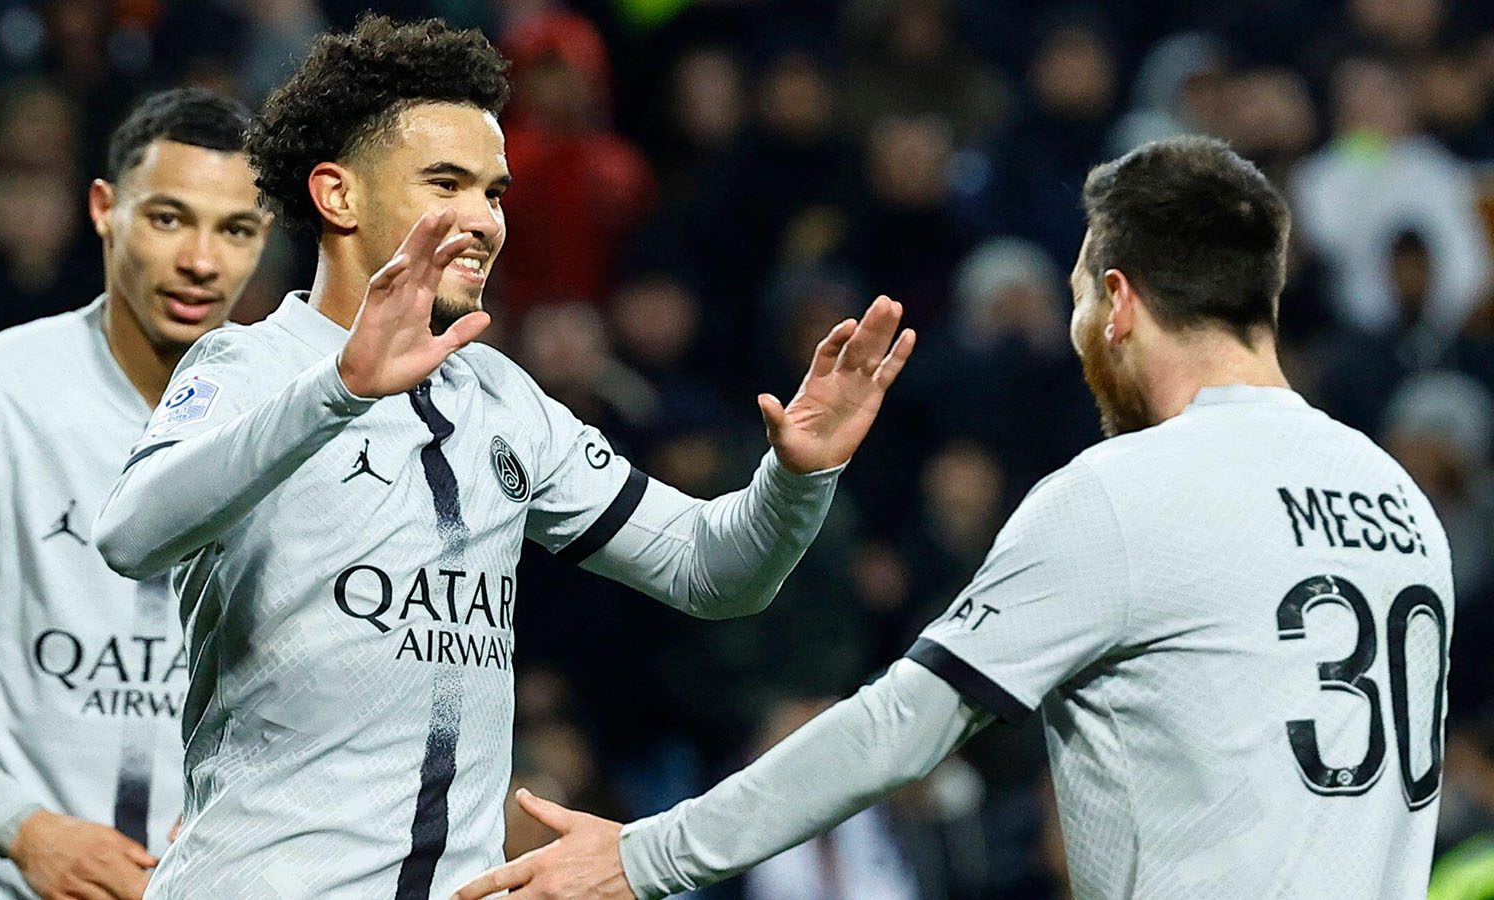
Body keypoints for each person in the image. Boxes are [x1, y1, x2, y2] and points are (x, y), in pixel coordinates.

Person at [453, 136, 1454, 900]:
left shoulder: (1125, 492)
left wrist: (645, 856)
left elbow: (902, 725)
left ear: (1116, 301)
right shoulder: (1398, 500)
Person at [91, 15, 913, 900]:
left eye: (496, 192)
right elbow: (133, 534)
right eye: (448, 183)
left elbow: (713, 571)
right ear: (338, 195)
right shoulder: (247, 365)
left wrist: (797, 480)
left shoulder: (504, 400)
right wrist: (338, 387)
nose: (485, 220)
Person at [0, 88, 269, 900]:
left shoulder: (303, 424)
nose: (202, 261)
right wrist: (23, 829)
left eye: (234, 228)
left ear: (265, 235)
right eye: (168, 218)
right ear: (104, 209)